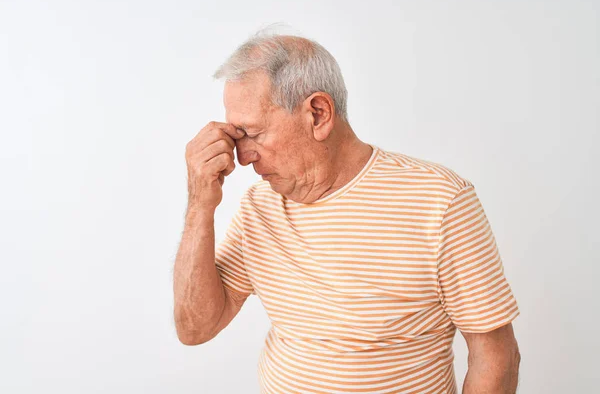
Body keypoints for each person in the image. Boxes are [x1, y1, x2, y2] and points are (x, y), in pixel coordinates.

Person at [173, 29, 521, 394]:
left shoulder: (440, 200)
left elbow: (495, 354)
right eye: (236, 136)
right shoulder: (259, 207)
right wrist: (200, 203)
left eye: (253, 134)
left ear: (318, 114)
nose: (242, 157)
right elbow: (195, 328)